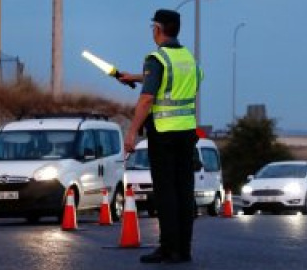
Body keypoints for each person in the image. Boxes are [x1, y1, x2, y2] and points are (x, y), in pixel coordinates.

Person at [119, 9, 202, 264]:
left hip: (164, 134)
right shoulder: (188, 58)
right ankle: (183, 249)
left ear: (158, 28)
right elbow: (173, 84)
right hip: (187, 132)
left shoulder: (156, 58)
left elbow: (147, 99)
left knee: (166, 192)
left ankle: (168, 249)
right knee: (184, 191)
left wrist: (131, 132)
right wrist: (136, 77)